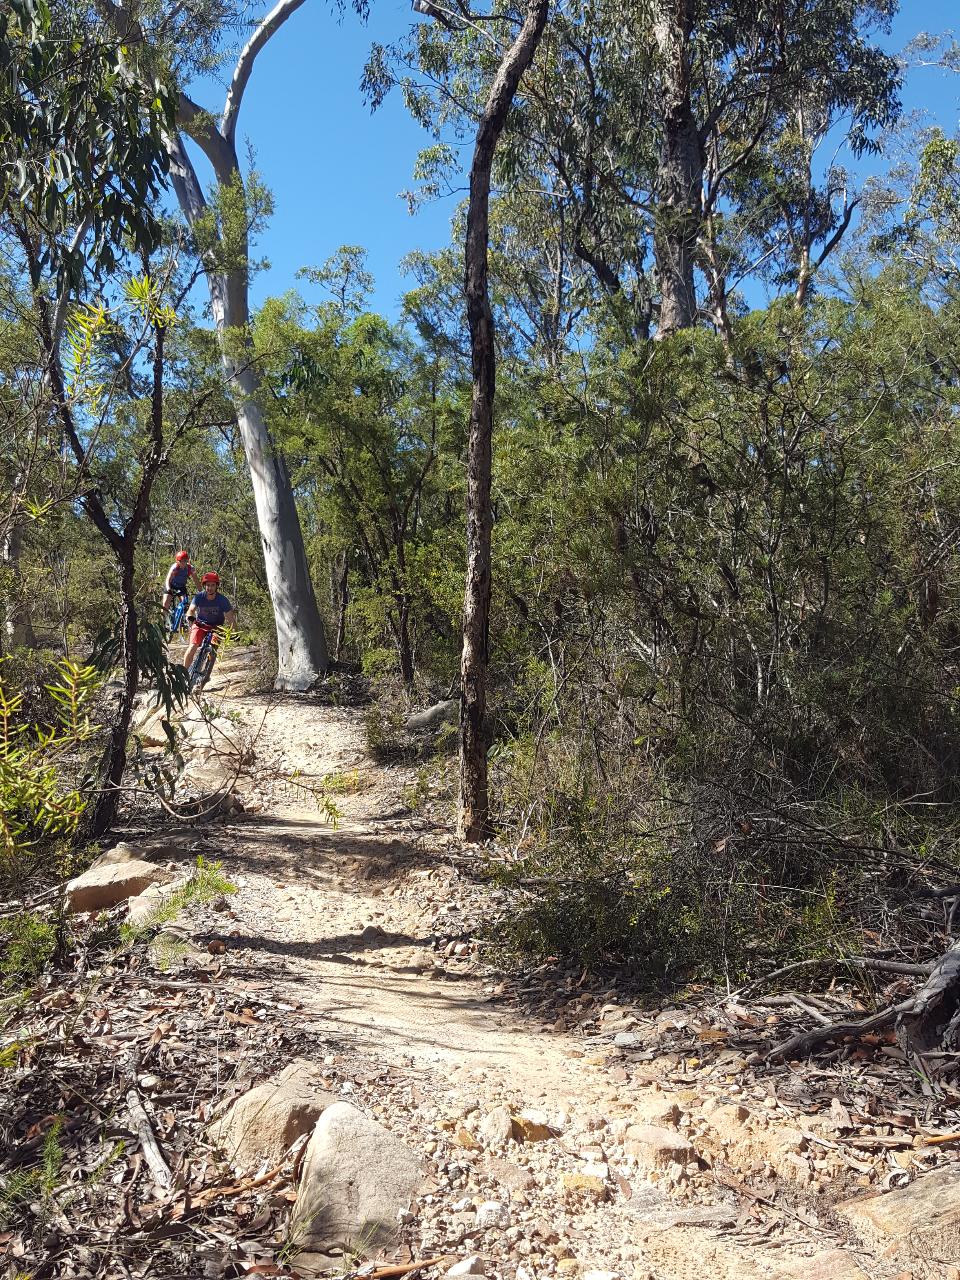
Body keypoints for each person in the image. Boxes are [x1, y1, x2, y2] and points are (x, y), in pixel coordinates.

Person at [183, 572, 236, 671]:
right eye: (208, 585)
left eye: (212, 585)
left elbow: (231, 619)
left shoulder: (223, 600)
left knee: (213, 651)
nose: (210, 588)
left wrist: (235, 633)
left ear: (217, 586)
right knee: (192, 647)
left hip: (216, 628)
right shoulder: (199, 597)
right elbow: (191, 610)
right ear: (204, 586)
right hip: (200, 625)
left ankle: (206, 673)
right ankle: (183, 673)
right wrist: (190, 617)